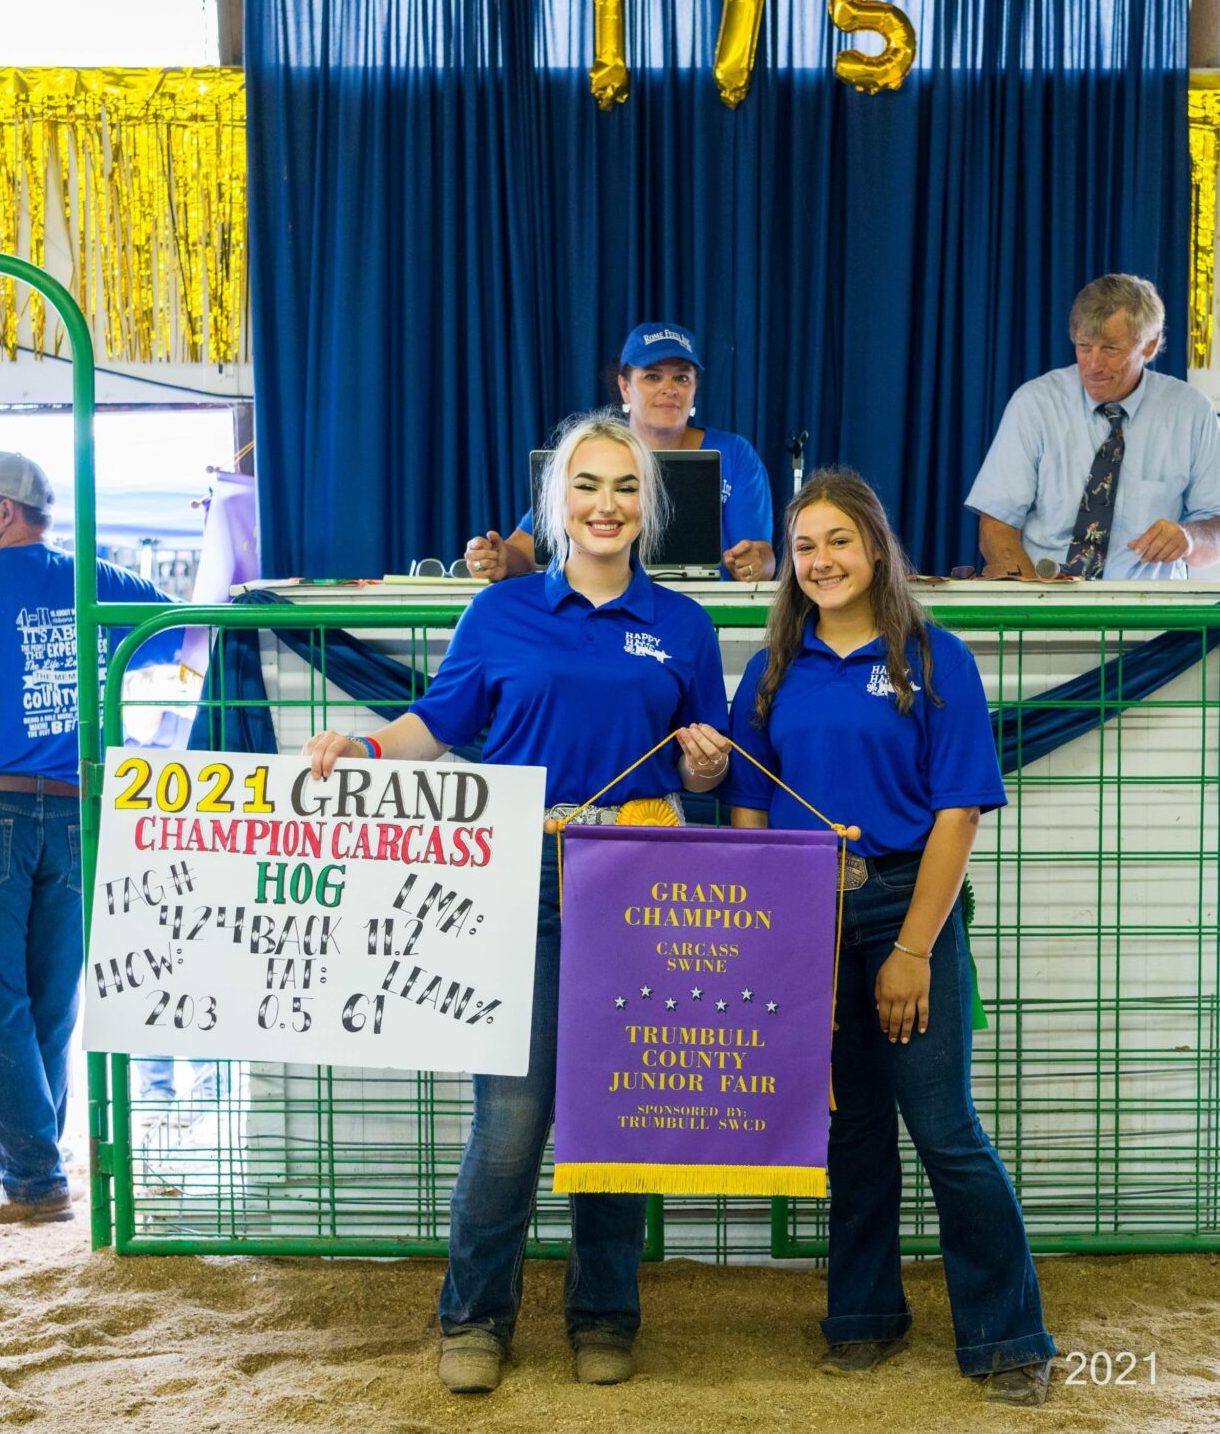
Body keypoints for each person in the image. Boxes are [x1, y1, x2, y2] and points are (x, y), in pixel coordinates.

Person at [306, 415, 730, 1393]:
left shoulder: (684, 626)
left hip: (638, 881)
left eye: (625, 489)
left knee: (614, 1112)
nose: (605, 506)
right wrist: (361, 750)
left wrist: (701, 761)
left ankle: (604, 1317)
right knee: (511, 1117)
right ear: (556, 504)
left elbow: (699, 756)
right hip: (515, 878)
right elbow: (439, 723)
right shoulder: (497, 615)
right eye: (587, 486)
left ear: (649, 507)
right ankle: (474, 1318)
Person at [727, 468, 1056, 1406]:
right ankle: (863, 1317)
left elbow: (958, 812)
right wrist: (773, 934)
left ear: (874, 548)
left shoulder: (932, 654)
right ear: (790, 565)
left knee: (943, 1129)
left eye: (837, 540)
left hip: (909, 907)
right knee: (851, 1127)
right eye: (804, 546)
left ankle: (1007, 1337)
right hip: (805, 917)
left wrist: (912, 949)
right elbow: (749, 810)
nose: (821, 560)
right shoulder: (771, 669)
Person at [0, 452, 177, 1224]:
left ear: (2, 512)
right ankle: (42, 1163)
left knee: (0, 998)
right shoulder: (100, 580)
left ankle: (35, 1178)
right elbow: (177, 632)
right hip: (80, 809)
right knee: (51, 996)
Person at [464, 322, 775, 583]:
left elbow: (762, 554)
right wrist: (499, 559)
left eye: (682, 377)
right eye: (652, 376)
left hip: (710, 612)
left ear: (694, 389)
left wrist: (754, 563)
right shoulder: (590, 450)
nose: (669, 388)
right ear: (625, 387)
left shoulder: (735, 454)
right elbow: (525, 549)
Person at [966, 273, 1220, 580]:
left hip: (1152, 618)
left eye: (1111, 349)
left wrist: (1189, 538)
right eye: (1084, 346)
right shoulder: (1035, 403)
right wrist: (1035, 600)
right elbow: (996, 526)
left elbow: (1214, 533)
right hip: (1043, 607)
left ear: (1150, 345)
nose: (1093, 365)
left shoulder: (1192, 411)